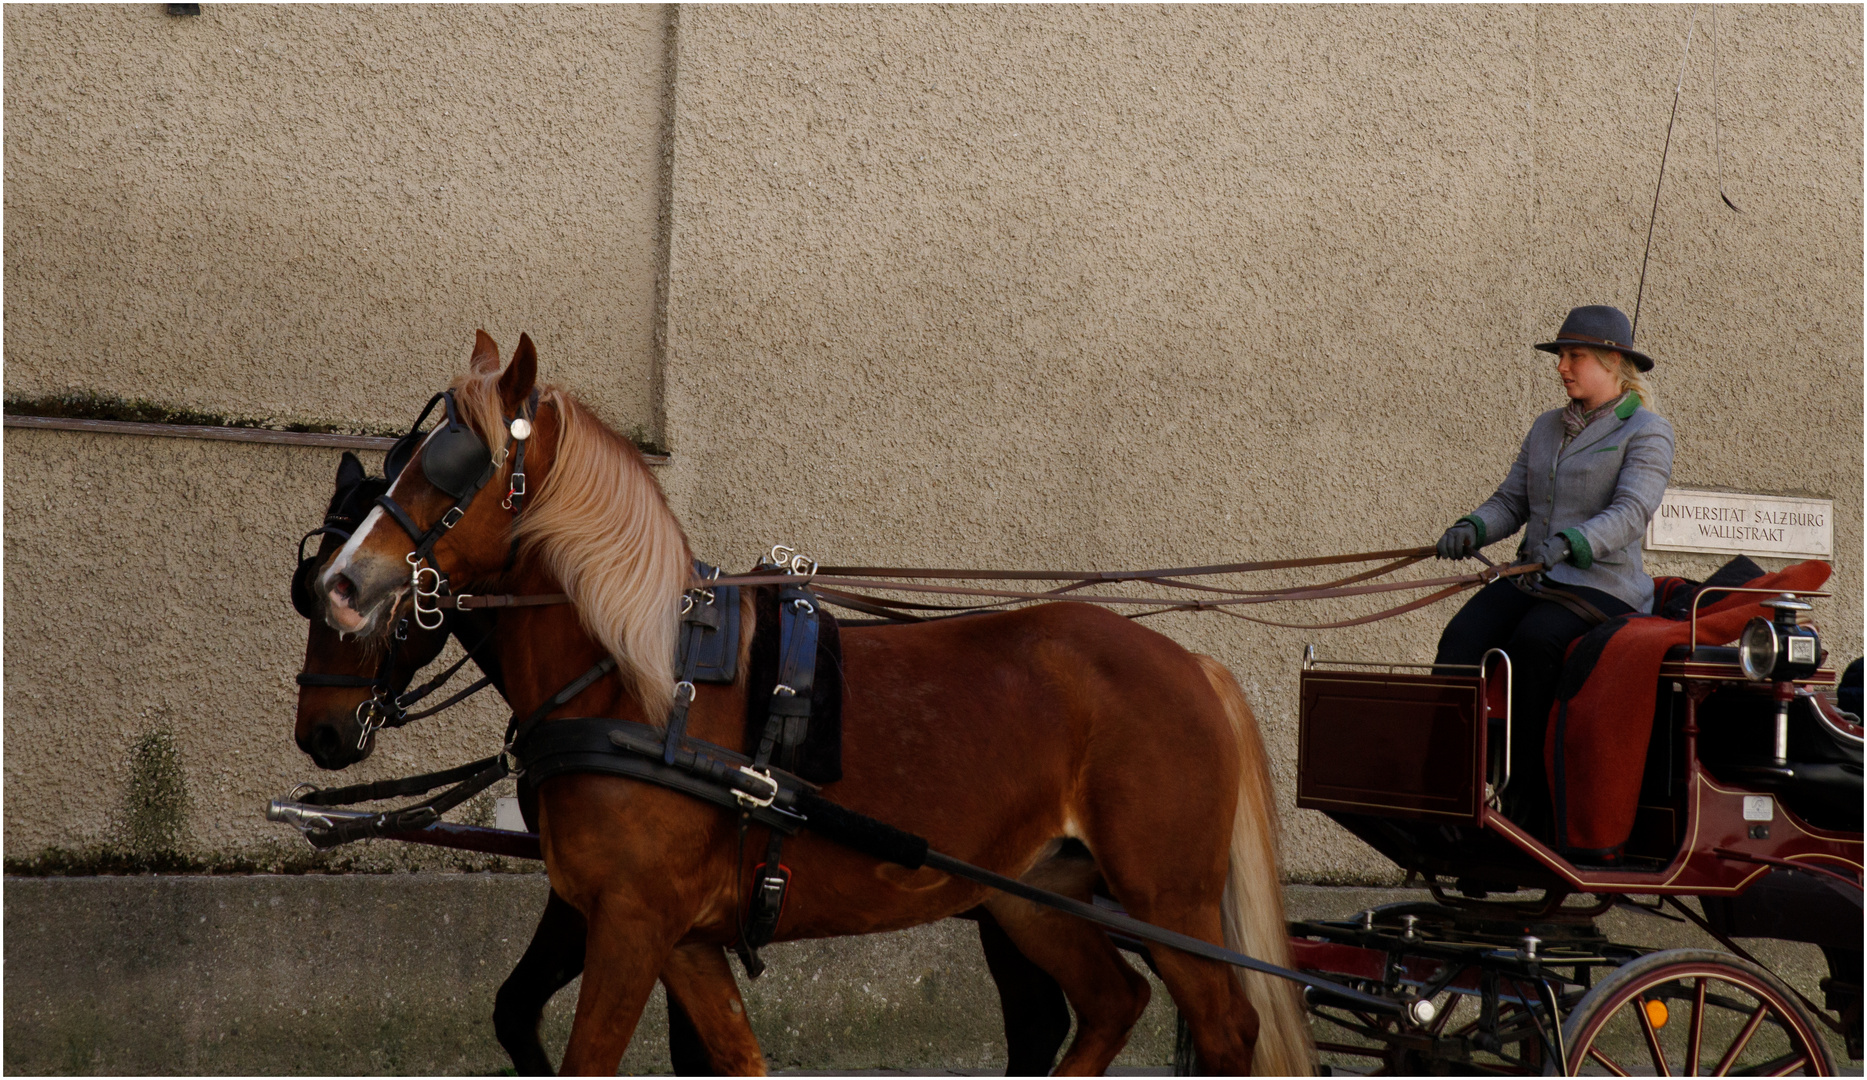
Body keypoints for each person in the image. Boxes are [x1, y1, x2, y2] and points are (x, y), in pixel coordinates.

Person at [1433, 305, 1675, 841]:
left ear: (1614, 362)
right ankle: (1447, 792)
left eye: (1575, 356)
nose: (1562, 367)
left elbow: (1633, 511)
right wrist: (1472, 527)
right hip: (1536, 578)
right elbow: (1510, 501)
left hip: (1602, 587)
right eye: (1561, 356)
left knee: (1532, 644)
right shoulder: (1546, 427)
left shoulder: (1647, 431)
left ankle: (1526, 806)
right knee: (1461, 637)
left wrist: (1576, 541)